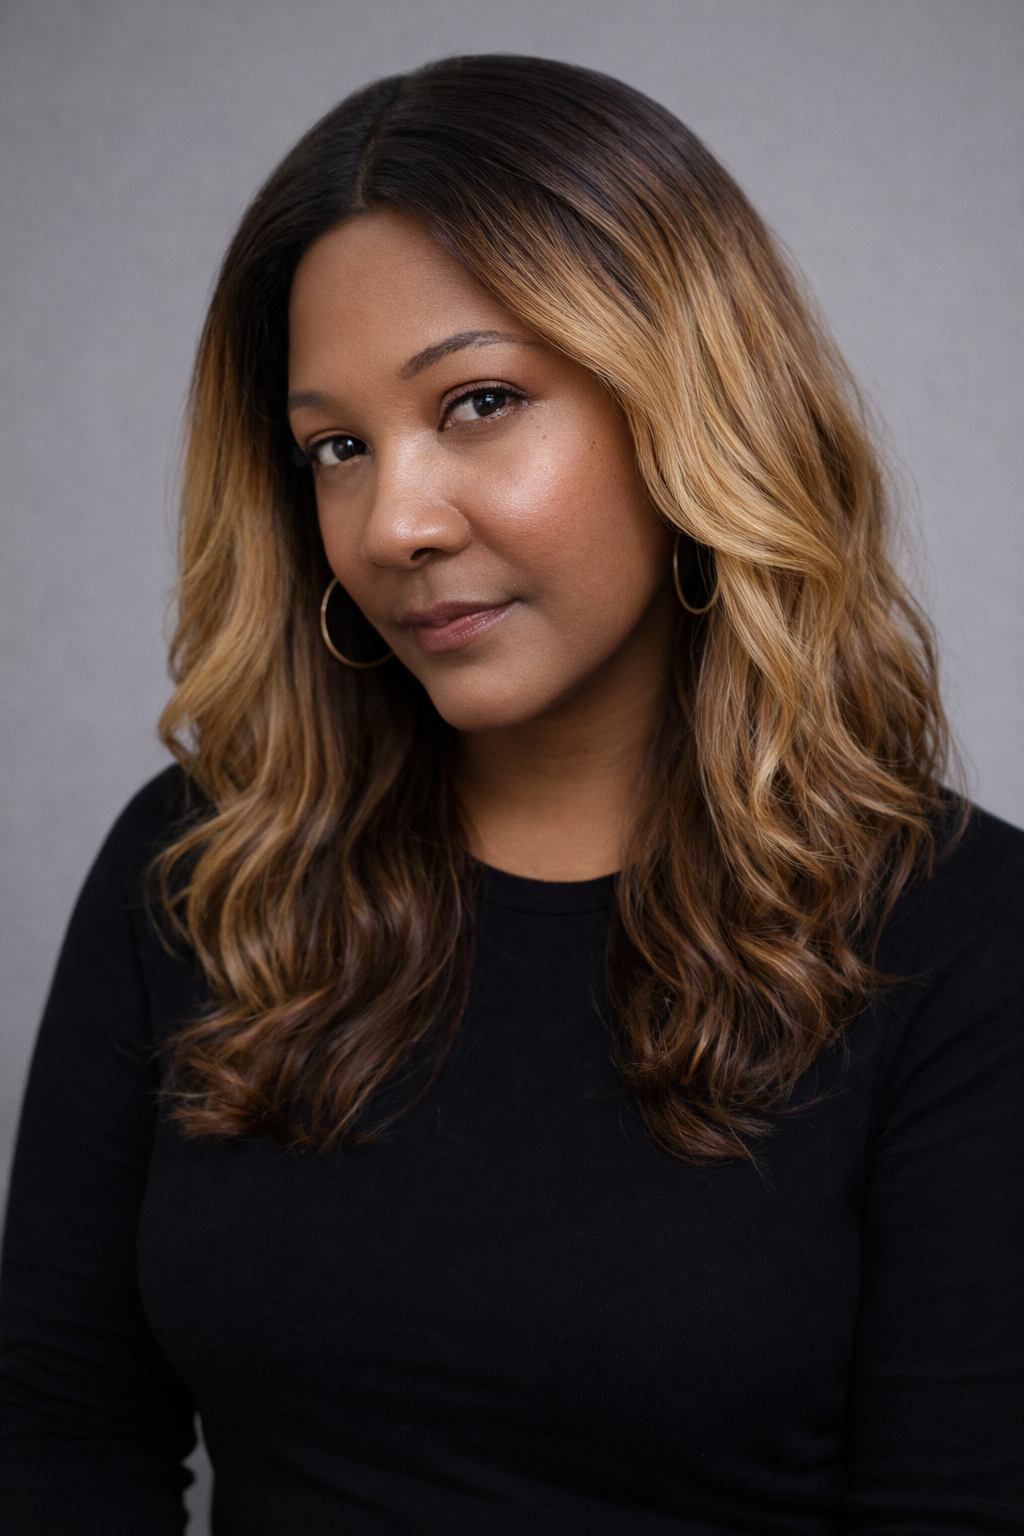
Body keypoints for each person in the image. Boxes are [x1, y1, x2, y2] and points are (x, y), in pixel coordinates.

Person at [0, 53, 1020, 1535]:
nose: (393, 522)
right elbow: (59, 1432)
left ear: (689, 404)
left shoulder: (965, 939)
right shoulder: (201, 871)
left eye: (478, 401)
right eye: (335, 449)